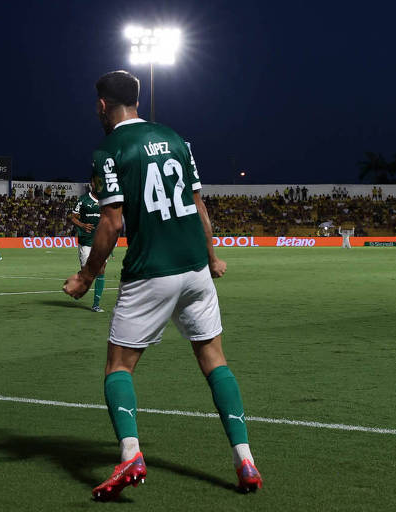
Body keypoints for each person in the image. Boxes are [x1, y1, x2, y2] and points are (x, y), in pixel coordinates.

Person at [63, 71, 262, 501]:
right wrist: (211, 258)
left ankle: (131, 453)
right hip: (195, 268)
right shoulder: (175, 138)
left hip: (151, 270)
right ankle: (244, 457)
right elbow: (197, 204)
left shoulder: (108, 150)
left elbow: (112, 221)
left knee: (119, 367)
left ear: (102, 105)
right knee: (215, 360)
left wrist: (86, 275)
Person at [69, 180, 106, 312]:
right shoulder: (83, 200)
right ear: (92, 184)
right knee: (88, 272)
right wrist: (83, 225)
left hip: (102, 240)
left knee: (101, 270)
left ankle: (96, 304)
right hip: (86, 240)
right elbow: (73, 217)